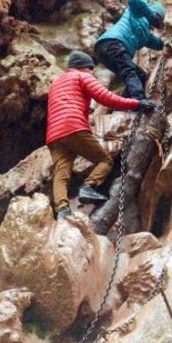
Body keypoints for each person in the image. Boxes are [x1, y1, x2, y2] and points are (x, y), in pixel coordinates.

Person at [46, 51, 148, 220]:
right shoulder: (82, 76)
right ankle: (88, 186)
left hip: (54, 135)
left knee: (61, 174)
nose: (92, 72)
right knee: (105, 160)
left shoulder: (56, 83)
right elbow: (106, 98)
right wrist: (137, 103)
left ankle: (62, 211)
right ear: (84, 67)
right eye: (90, 68)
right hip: (73, 126)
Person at [94, 0, 166, 102]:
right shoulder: (135, 12)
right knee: (129, 71)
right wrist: (151, 15)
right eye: (158, 18)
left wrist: (169, 41)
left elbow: (160, 44)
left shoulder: (146, 36)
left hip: (106, 50)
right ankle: (139, 100)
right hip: (113, 42)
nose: (157, 21)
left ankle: (124, 103)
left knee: (140, 75)